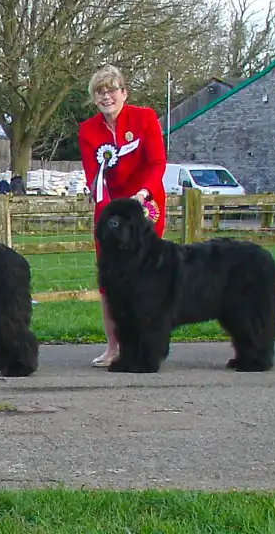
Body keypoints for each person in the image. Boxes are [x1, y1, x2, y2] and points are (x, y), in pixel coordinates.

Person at [77, 64, 169, 368]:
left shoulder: (145, 118)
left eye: (111, 90)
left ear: (124, 93)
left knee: (146, 279)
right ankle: (113, 347)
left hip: (145, 206)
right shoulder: (88, 130)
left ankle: (147, 346)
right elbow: (95, 178)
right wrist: (108, 213)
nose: (106, 97)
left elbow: (157, 163)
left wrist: (142, 194)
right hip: (110, 210)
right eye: (100, 92)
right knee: (110, 280)